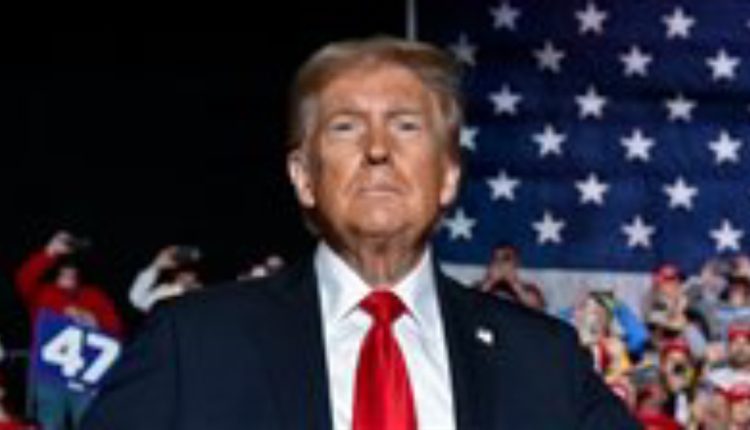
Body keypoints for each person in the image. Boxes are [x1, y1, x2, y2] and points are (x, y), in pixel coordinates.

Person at [82, 36, 638, 429]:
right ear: (304, 176)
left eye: (406, 126)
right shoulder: (192, 344)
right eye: (346, 127)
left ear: (448, 176)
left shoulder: (543, 359)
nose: (377, 149)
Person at [16, 231, 122, 430]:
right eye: (64, 270)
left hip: (86, 378)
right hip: (49, 376)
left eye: (72, 270)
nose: (69, 272)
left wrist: (94, 321)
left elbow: (116, 330)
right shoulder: (43, 294)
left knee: (89, 423)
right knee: (49, 424)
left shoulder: (95, 296)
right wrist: (50, 251)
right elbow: (24, 279)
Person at [129, 245, 203, 313]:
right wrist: (156, 266)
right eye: (181, 272)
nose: (183, 275)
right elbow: (138, 301)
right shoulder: (166, 290)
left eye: (189, 272)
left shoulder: (202, 295)